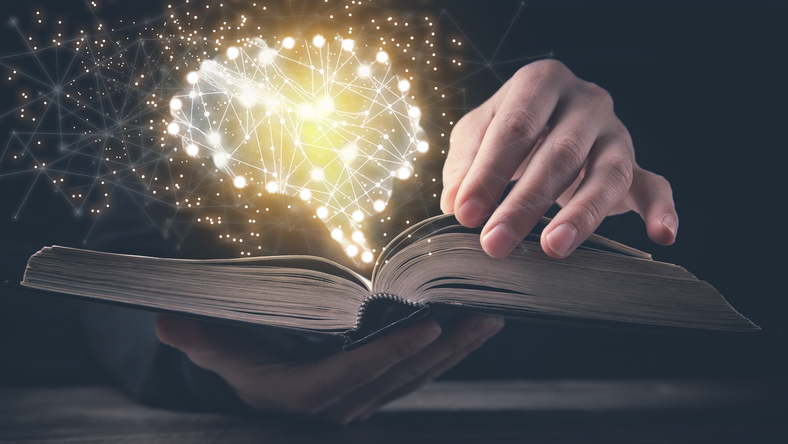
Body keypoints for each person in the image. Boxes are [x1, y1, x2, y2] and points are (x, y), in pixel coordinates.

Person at [147, 59, 678, 424]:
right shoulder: (190, 85)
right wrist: (212, 375)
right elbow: (120, 256)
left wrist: (607, 169)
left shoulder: (480, 42)